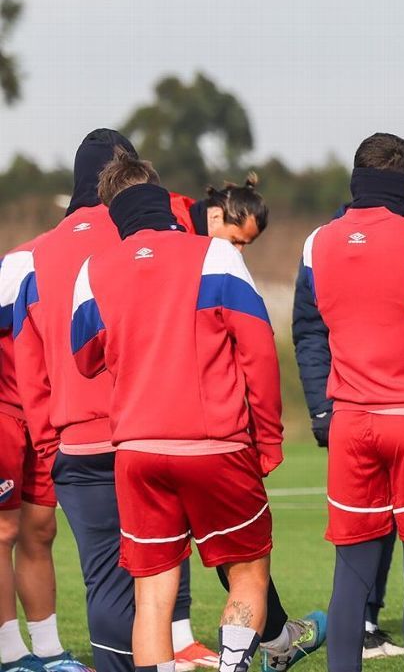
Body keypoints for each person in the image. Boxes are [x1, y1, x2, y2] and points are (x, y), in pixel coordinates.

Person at [95, 159, 326, 672]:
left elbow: (84, 355)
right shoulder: (215, 256)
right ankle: (235, 663)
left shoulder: (99, 267)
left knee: (153, 592)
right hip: (215, 446)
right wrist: (267, 438)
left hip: (136, 450)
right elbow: (259, 351)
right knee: (247, 569)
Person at [10, 130, 214, 672]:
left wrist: (49, 439)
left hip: (74, 443)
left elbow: (28, 361)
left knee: (103, 580)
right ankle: (181, 646)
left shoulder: (35, 253)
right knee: (159, 571)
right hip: (150, 431)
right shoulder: (143, 237)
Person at [301, 133, 404, 672]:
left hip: (351, 422)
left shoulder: (316, 243)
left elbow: (309, 330)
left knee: (350, 569)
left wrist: (321, 408)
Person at [292, 208, 404, 662]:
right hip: (350, 410)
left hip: (396, 409)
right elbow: (310, 332)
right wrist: (322, 407)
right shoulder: (324, 248)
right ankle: (353, 624)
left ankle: (367, 620)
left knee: (390, 518)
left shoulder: (395, 244)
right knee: (356, 525)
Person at [0, 241, 87, 672]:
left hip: (43, 417)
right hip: (5, 415)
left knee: (41, 528)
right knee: (2, 531)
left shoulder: (78, 262)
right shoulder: (18, 264)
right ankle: (10, 653)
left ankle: (49, 650)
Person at [171, 176, 268, 249]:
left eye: (244, 244)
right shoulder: (172, 232)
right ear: (215, 216)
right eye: (234, 241)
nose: (238, 251)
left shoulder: (189, 215)